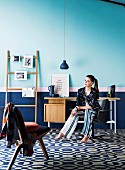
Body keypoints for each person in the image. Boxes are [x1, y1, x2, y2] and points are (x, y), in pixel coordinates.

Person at [55, 75, 101, 143]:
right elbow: (78, 103)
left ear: (92, 83)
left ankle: (86, 136)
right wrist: (75, 109)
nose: (86, 82)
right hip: (83, 110)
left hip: (93, 110)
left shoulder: (94, 92)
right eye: (85, 80)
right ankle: (62, 133)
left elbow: (92, 106)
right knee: (73, 114)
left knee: (88, 112)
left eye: (88, 81)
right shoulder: (81, 91)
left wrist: (79, 107)